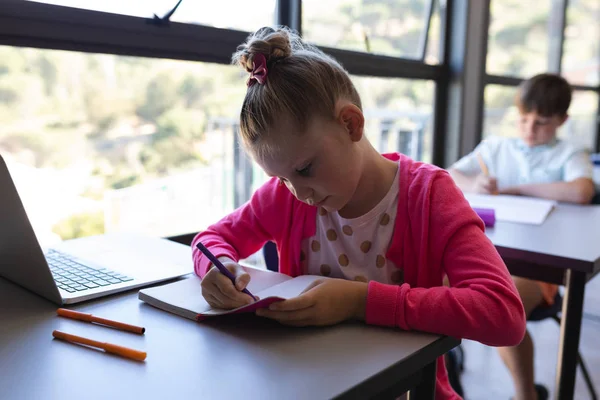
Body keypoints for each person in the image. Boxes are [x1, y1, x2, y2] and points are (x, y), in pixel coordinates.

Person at [193, 26, 526, 400]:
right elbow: (210, 240)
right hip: (306, 384)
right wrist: (217, 269)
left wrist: (359, 301)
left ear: (351, 124)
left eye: (304, 169)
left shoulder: (429, 195)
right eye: (281, 178)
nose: (299, 194)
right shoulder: (285, 196)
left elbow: (503, 314)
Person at [449, 73, 595, 400]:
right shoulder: (497, 148)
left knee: (498, 308)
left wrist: (517, 189)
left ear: (562, 120)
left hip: (536, 270)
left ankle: (525, 394)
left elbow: (581, 191)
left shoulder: (569, 154)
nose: (530, 129)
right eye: (524, 120)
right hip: (483, 254)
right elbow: (451, 174)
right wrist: (475, 185)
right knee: (427, 288)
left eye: (541, 123)